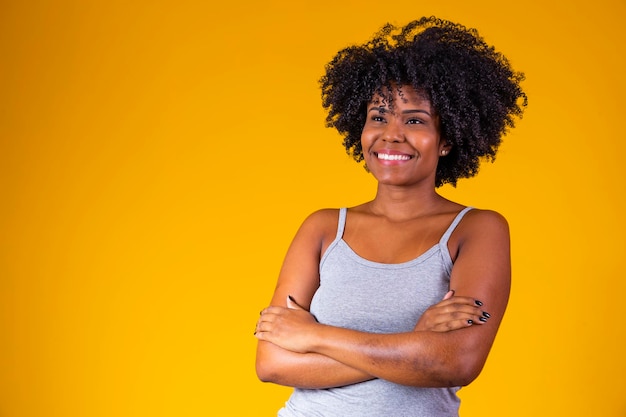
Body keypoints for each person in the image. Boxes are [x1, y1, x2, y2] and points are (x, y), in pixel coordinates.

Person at [254, 16, 527, 417]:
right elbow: (272, 364)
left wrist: (315, 337)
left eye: (414, 120)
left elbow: (456, 363)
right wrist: (415, 343)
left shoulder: (476, 229)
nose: (391, 134)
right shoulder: (324, 228)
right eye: (378, 117)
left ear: (447, 139)